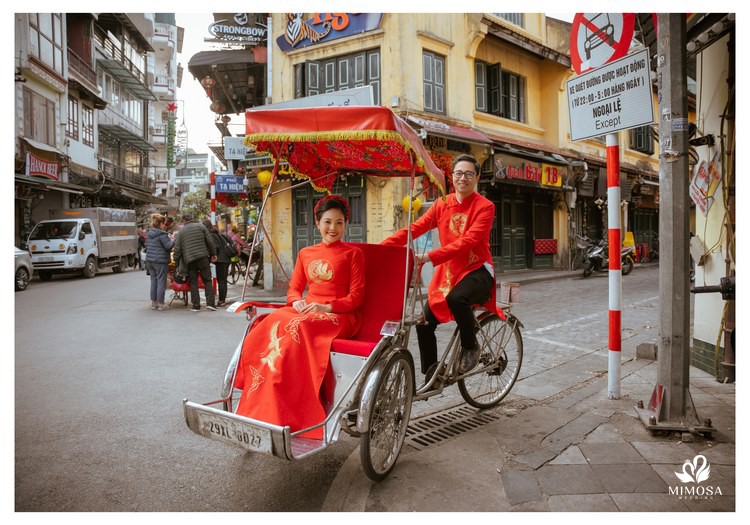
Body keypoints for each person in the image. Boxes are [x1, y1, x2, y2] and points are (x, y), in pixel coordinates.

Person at [233, 196, 364, 439]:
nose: (332, 228)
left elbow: (356, 298)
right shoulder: (306, 253)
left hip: (339, 315)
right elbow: (294, 289)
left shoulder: (353, 254)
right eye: (327, 222)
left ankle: (292, 401)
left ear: (345, 224)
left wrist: (325, 308)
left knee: (297, 324)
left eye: (339, 222)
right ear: (317, 223)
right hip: (308, 311)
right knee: (269, 321)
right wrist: (297, 301)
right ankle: (265, 395)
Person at [381, 153, 498, 382]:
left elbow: (469, 242)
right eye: (458, 173)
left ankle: (471, 346)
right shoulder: (442, 203)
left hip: (477, 270)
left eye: (468, 174)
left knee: (457, 299)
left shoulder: (485, 207)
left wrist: (430, 256)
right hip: (448, 272)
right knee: (423, 323)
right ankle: (433, 371)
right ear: (451, 176)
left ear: (477, 177)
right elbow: (415, 228)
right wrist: (382, 247)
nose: (462, 178)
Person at [173, 213, 217, 312]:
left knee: (193, 282)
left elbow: (177, 249)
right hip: (203, 258)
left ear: (184, 221)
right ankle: (211, 304)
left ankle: (196, 305)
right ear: (192, 219)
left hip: (190, 260)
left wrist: (176, 260)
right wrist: (213, 254)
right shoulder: (201, 227)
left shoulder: (181, 232)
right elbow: (210, 241)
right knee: (207, 280)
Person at [145, 213, 175, 311]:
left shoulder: (149, 233)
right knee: (161, 281)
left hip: (150, 260)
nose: (165, 225)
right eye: (164, 223)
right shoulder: (162, 235)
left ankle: (154, 303)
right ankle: (161, 304)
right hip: (160, 261)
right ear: (161, 223)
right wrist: (173, 240)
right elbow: (168, 246)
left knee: (154, 281)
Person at [203, 219, 231, 307]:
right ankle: (222, 299)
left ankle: (222, 300)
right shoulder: (216, 233)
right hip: (225, 258)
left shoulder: (211, 235)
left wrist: (211, 255)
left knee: (221, 280)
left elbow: (216, 247)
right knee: (223, 280)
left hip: (221, 260)